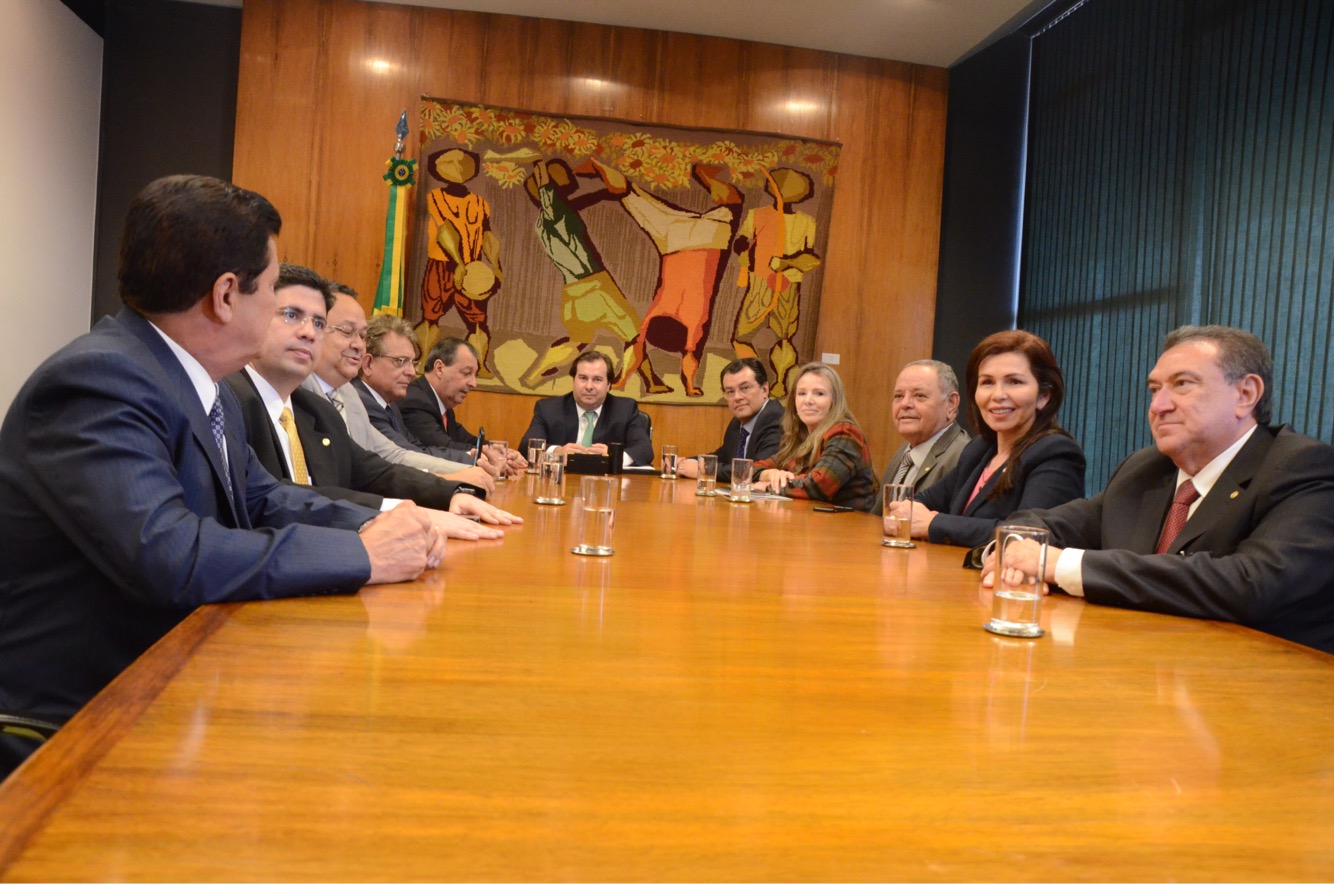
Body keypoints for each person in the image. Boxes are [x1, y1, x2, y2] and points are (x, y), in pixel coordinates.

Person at [0, 175, 442, 778]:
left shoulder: (204, 386)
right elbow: (170, 553)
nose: (280, 309)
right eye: (273, 289)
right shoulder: (101, 380)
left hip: (167, 688)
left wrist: (392, 520)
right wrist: (362, 555)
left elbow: (264, 498)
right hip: (75, 725)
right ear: (226, 295)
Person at [987, 325, 1334, 653]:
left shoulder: (1301, 467)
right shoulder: (1146, 468)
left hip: (1265, 689)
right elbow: (1046, 523)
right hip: (1146, 664)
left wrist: (1061, 565)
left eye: (1182, 384)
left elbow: (1253, 584)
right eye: (1155, 390)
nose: (1158, 406)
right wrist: (1012, 550)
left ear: (1245, 394)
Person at [224, 264, 517, 537]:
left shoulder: (315, 409)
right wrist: (399, 512)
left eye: (318, 322)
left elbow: (375, 471)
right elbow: (277, 498)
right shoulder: (228, 400)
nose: (308, 332)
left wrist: (451, 493)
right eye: (291, 315)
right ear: (254, 314)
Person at [893, 330, 1085, 548]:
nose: (997, 395)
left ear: (1044, 396)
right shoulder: (979, 449)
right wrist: (905, 515)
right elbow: (919, 503)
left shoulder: (1057, 454)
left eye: (1014, 382)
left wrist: (933, 524)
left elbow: (1029, 536)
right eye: (987, 382)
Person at [310, 283, 497, 492]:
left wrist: (466, 472)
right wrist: (452, 479)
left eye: (362, 336)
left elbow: (394, 456)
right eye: (347, 331)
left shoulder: (348, 394)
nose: (358, 346)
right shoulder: (303, 393)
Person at [752, 362, 878, 511]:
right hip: (813, 523)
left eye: (819, 393)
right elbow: (751, 469)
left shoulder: (845, 433)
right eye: (802, 393)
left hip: (847, 528)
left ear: (834, 401)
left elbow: (818, 486)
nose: (808, 401)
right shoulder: (802, 437)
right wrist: (770, 474)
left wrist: (768, 487)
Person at [400, 337, 527, 476]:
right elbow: (444, 447)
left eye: (474, 375)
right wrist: (493, 456)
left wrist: (504, 453)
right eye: (466, 373)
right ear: (439, 368)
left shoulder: (443, 407)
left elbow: (470, 441)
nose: (473, 383)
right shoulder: (415, 400)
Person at [519, 350, 655, 467]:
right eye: (583, 378)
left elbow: (644, 450)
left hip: (608, 489)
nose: (589, 386)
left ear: (608, 385)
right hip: (562, 485)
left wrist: (615, 457)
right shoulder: (549, 409)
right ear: (573, 380)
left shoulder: (625, 410)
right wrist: (557, 452)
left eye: (597, 380)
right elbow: (526, 446)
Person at [870, 359, 970, 515]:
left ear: (951, 403)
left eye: (920, 395)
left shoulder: (963, 456)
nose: (905, 404)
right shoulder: (906, 449)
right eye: (898, 395)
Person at [677, 358, 784, 483]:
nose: (737, 397)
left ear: (764, 390)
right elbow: (723, 456)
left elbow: (757, 471)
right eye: (730, 392)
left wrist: (704, 469)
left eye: (744, 388)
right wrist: (686, 462)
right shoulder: (737, 422)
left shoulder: (777, 420)